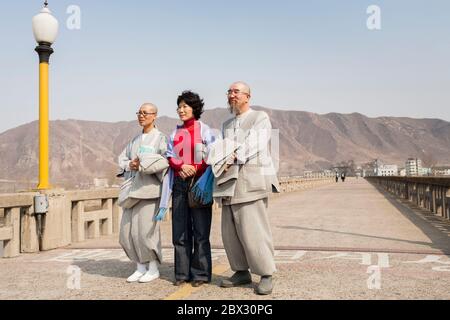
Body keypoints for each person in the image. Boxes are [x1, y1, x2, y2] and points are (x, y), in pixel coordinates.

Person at [217, 81, 280, 295]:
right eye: (230, 92)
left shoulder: (259, 117)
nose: (232, 95)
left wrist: (233, 156)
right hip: (229, 183)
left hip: (251, 181)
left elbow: (257, 143)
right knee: (230, 231)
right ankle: (241, 271)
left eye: (237, 92)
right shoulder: (226, 124)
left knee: (254, 230)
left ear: (248, 96)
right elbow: (221, 148)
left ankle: (265, 273)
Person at [166, 91, 216, 287]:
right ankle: (181, 273)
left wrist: (194, 168)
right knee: (180, 230)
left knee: (201, 231)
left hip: (199, 183)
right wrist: (180, 166)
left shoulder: (206, 131)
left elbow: (213, 155)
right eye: (179, 106)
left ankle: (201, 274)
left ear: (195, 108)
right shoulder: (174, 133)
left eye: (185, 106)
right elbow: (170, 155)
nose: (181, 110)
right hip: (179, 183)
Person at [117, 103, 169, 283]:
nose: (141, 115)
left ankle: (153, 268)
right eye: (139, 112)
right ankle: (139, 267)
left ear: (154, 116)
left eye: (145, 113)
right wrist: (129, 164)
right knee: (127, 232)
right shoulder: (134, 140)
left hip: (150, 191)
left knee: (146, 232)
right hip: (132, 191)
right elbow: (121, 159)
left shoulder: (161, 138)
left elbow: (166, 161)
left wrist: (145, 164)